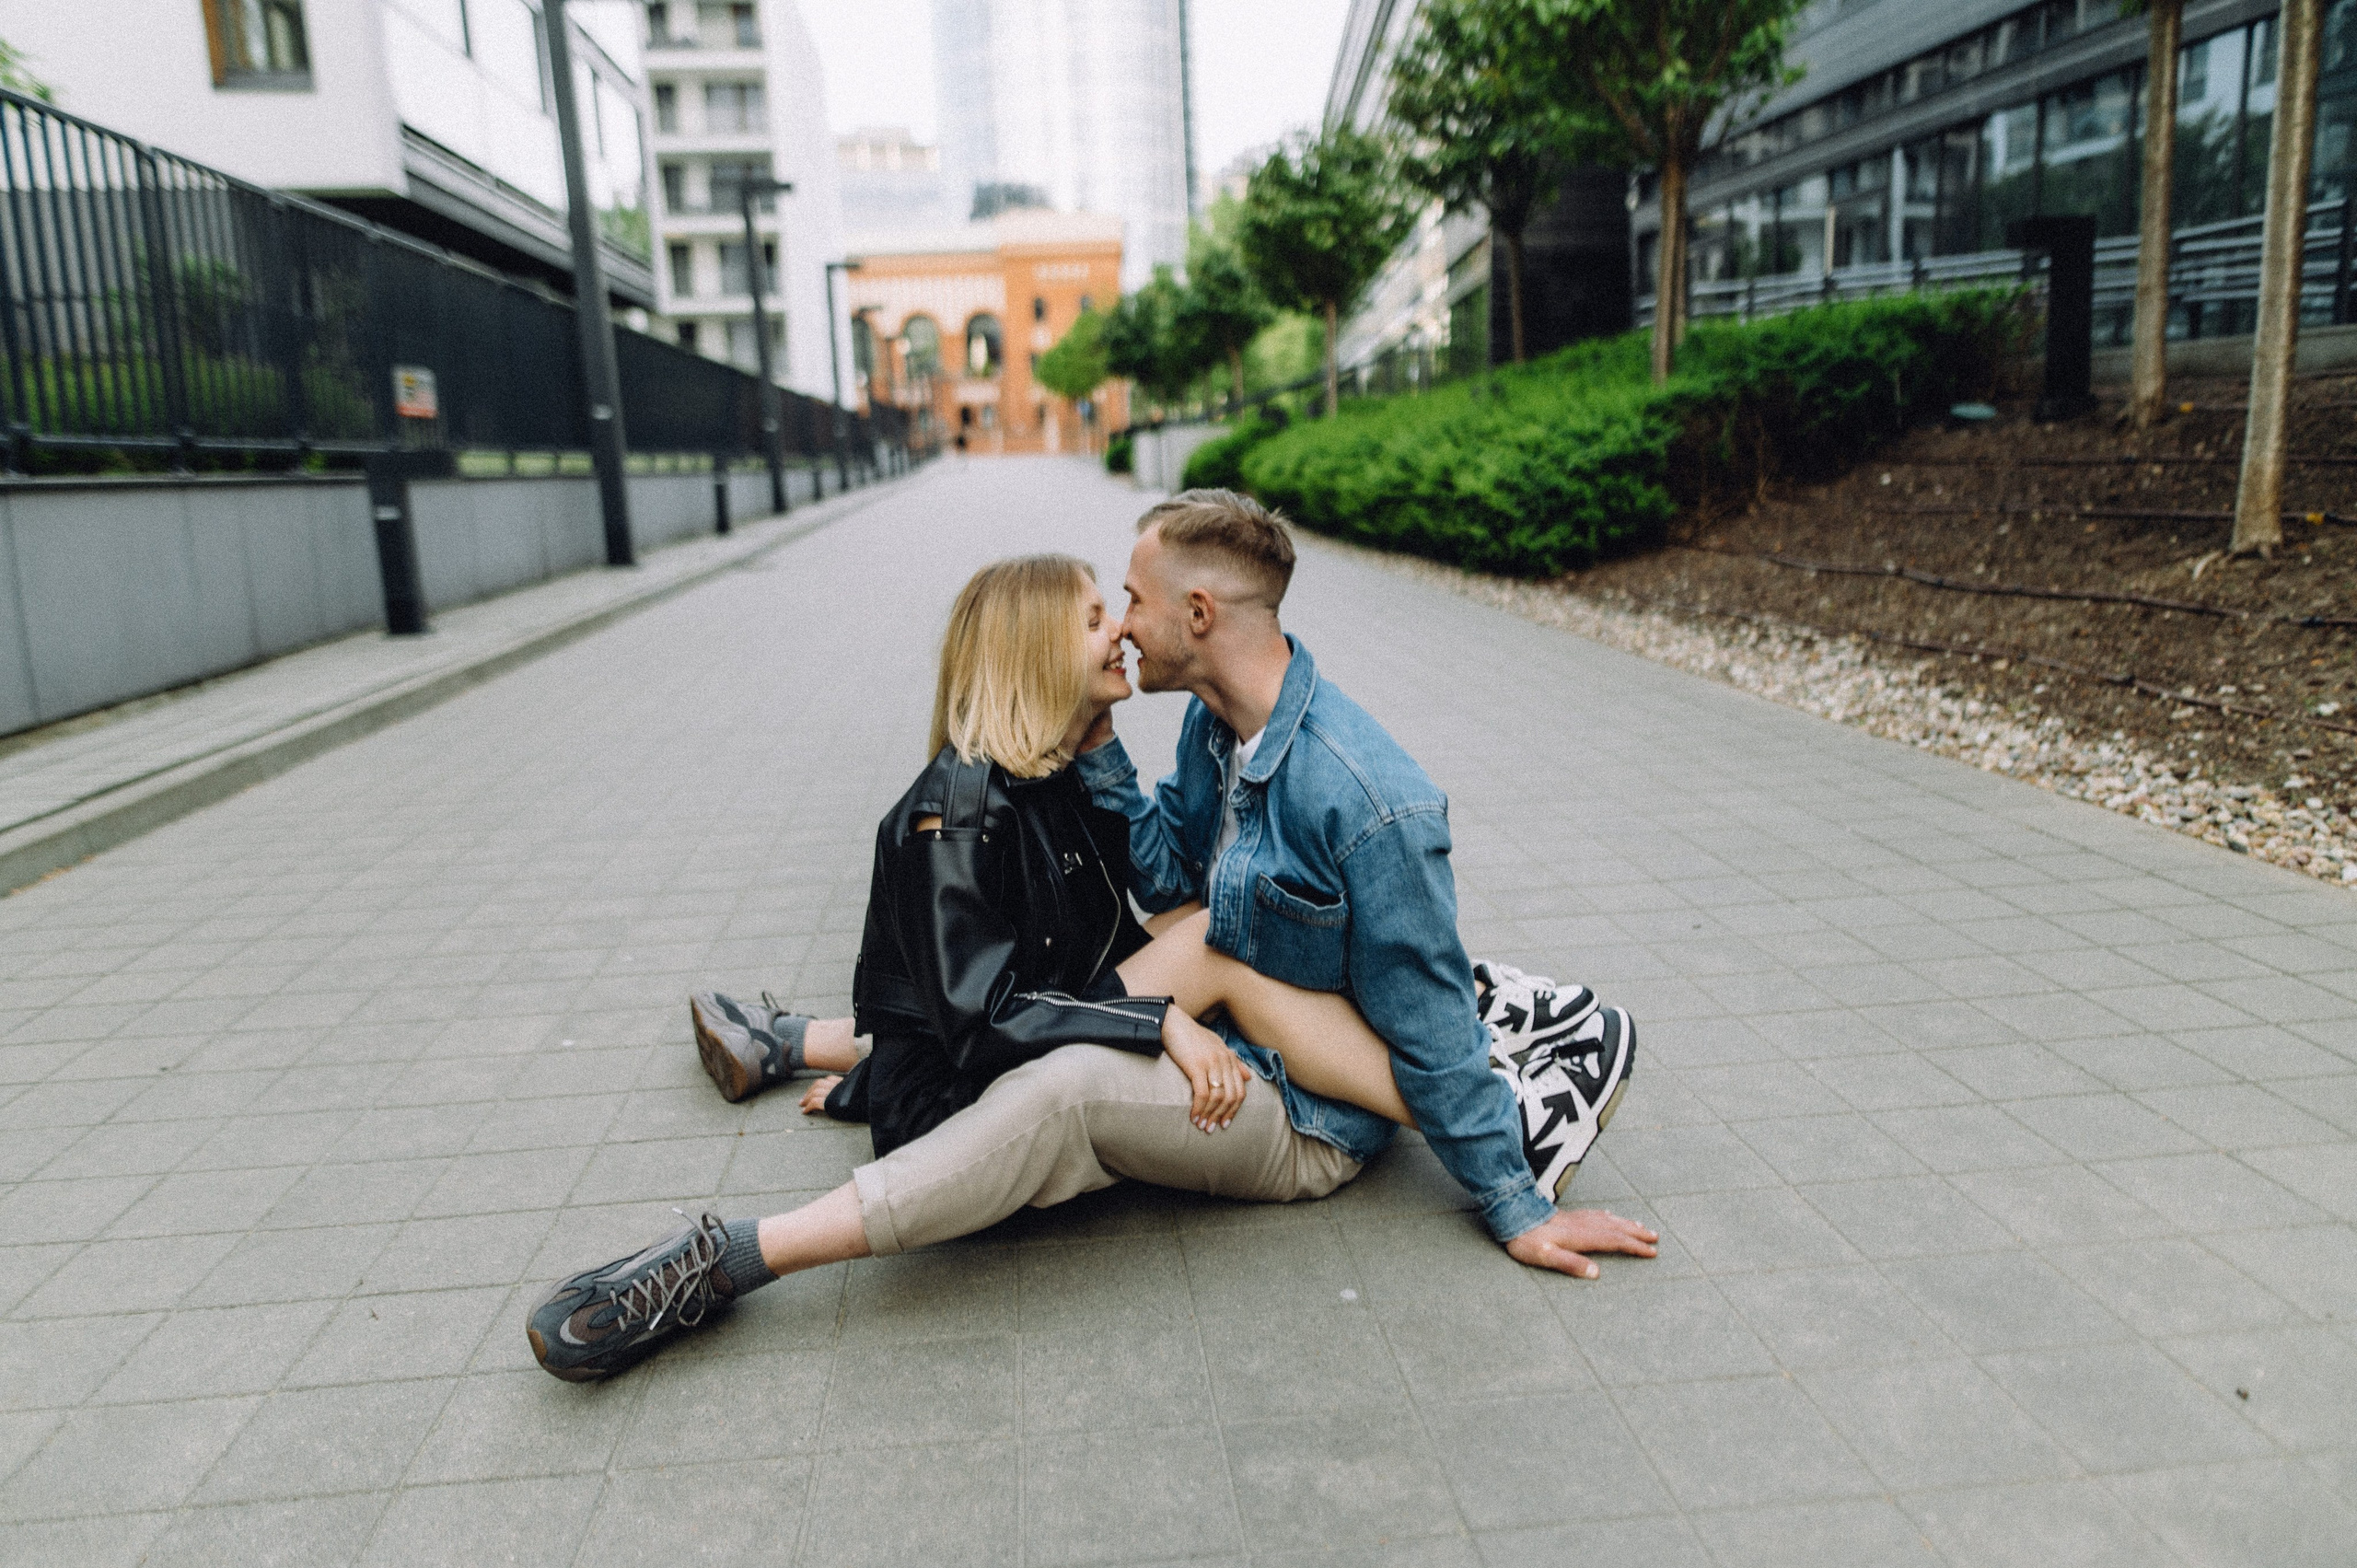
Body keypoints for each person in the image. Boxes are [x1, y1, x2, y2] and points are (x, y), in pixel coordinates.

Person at [526, 530, 1652, 1385]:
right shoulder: (1099, 767)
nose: (1119, 623)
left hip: (1264, 1084)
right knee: (1161, 991)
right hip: (1028, 1071)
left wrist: (1507, 1199)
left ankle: (1488, 1113)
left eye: (1130, 602)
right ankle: (730, 1254)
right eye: (1093, 614)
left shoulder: (1345, 791)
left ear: (1196, 613)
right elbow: (1040, 979)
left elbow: (1107, 938)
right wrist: (1148, 1019)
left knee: (1209, 952)